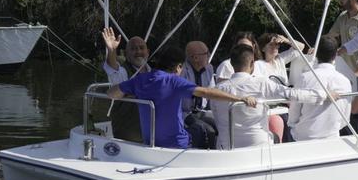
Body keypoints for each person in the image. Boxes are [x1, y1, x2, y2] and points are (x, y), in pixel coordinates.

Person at [107, 46, 256, 149]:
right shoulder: (174, 81)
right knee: (205, 132)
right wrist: (238, 98)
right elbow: (205, 92)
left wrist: (129, 93)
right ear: (178, 67)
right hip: (177, 144)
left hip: (150, 142)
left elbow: (112, 93)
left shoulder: (140, 80)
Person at [211, 45, 332, 149]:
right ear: (252, 63)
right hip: (258, 144)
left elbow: (216, 117)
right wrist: (323, 95)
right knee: (275, 134)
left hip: (226, 147)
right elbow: (292, 94)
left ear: (231, 64)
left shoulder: (217, 90)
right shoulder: (261, 84)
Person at [288, 35, 352, 141]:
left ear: (316, 53)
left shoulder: (304, 78)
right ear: (336, 54)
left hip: (303, 138)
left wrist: (294, 125)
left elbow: (293, 115)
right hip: (332, 138)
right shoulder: (345, 81)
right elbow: (345, 119)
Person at [101, 27, 151, 142]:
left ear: (148, 52)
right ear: (126, 54)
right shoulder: (123, 72)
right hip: (128, 134)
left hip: (152, 132)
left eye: (141, 48)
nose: (138, 51)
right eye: (133, 49)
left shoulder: (154, 72)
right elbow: (113, 69)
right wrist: (112, 50)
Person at [180, 40, 217, 149]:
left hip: (202, 111)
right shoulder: (182, 71)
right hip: (185, 113)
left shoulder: (209, 69)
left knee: (220, 122)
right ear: (195, 58)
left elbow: (212, 92)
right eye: (206, 53)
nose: (209, 56)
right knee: (206, 130)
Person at [328, 0, 358, 76]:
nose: (340, 0)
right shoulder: (342, 16)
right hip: (343, 70)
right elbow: (331, 36)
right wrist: (318, 46)